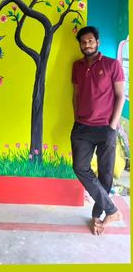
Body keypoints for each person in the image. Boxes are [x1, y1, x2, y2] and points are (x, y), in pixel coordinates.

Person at [71, 26, 125, 235]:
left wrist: (112, 125)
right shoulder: (76, 66)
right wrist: (77, 117)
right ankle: (112, 210)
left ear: (98, 42)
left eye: (90, 41)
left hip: (105, 128)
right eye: (83, 42)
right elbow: (75, 94)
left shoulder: (112, 65)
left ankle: (97, 217)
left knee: (105, 176)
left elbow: (120, 96)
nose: (87, 45)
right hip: (82, 127)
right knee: (80, 167)